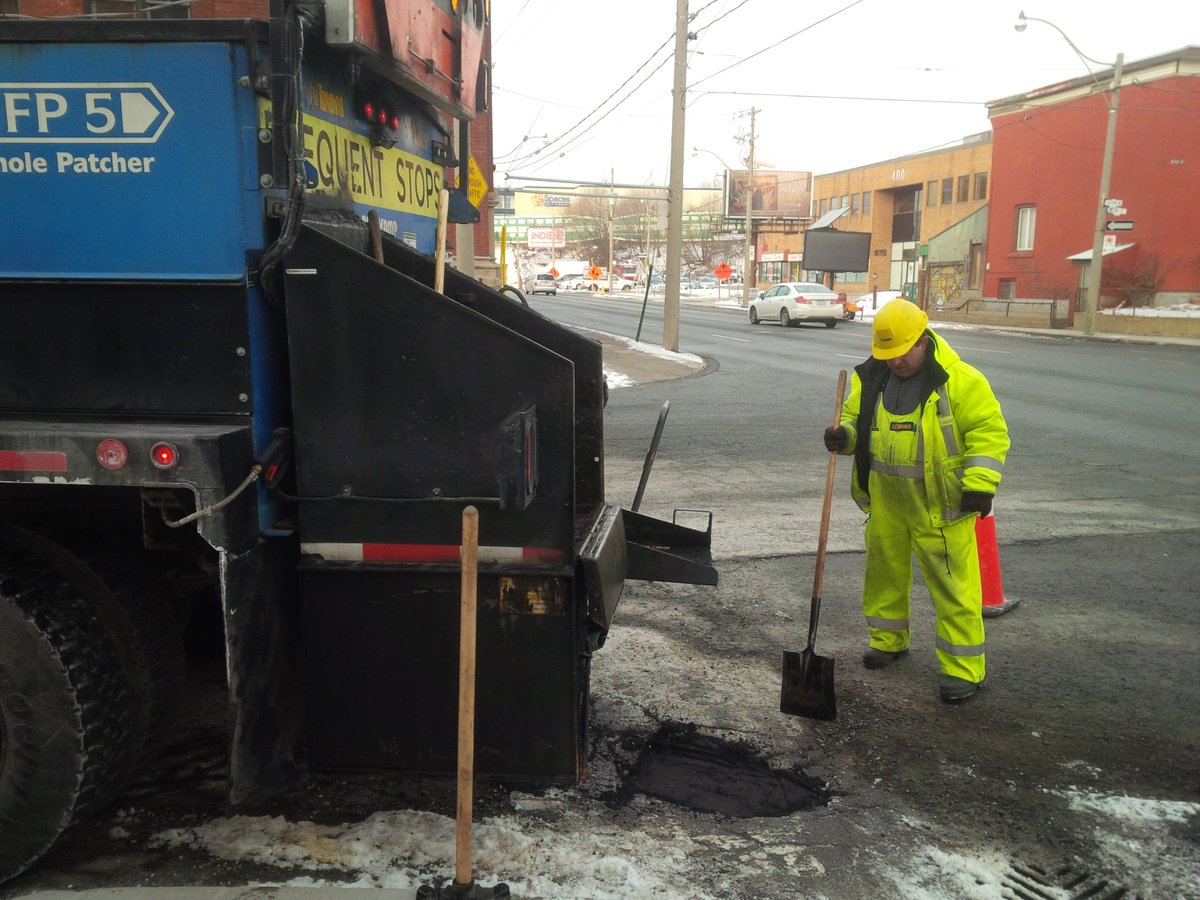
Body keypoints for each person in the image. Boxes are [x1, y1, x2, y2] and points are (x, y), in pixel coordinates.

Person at [823, 300, 1009, 702]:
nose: (895, 362)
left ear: (923, 341)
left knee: (953, 585)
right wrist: (845, 437)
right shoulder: (872, 377)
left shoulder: (960, 380)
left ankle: (963, 669)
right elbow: (856, 420)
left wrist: (979, 483)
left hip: (938, 503)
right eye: (887, 355)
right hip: (886, 499)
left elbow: (988, 433)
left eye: (903, 352)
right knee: (884, 573)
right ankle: (888, 640)